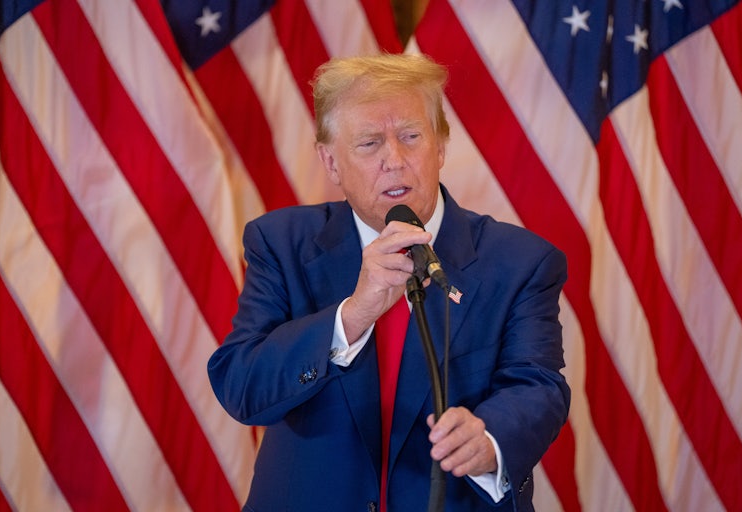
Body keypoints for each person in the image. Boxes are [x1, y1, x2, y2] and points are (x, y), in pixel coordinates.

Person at [208, 53, 570, 512]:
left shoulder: (520, 262)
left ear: (440, 146)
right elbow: (243, 385)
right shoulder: (281, 244)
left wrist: (491, 438)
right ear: (331, 162)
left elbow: (538, 385)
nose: (394, 161)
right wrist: (354, 313)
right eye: (370, 143)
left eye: (411, 137)